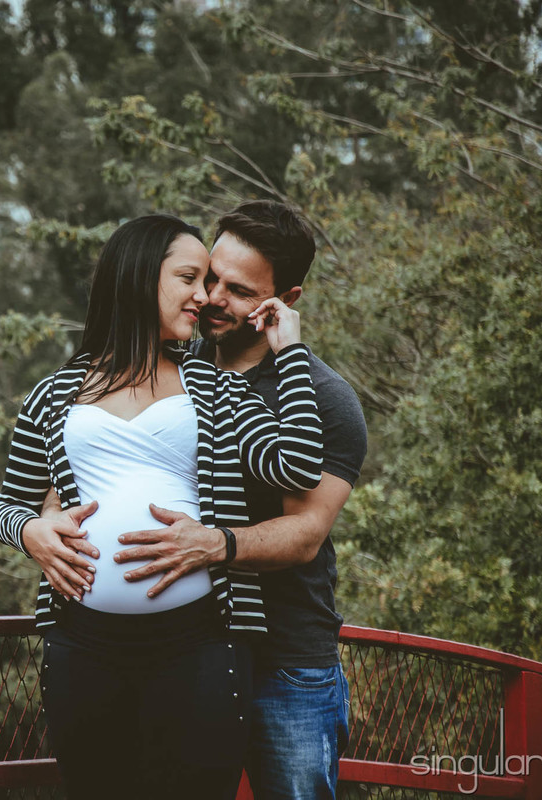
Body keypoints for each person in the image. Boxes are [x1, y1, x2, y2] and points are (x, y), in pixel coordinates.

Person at [0, 213, 326, 798]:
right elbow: (9, 506)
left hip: (200, 642)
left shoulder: (218, 386)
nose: (205, 297)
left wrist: (290, 349)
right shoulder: (53, 393)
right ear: (142, 278)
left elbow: (295, 466)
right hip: (82, 643)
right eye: (190, 279)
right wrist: (30, 533)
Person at [107, 200, 369, 799]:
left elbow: (304, 535)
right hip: (182, 647)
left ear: (287, 301)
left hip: (286, 662)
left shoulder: (328, 399)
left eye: (238, 290)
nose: (212, 299)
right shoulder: (169, 369)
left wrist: (211, 546)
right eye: (208, 278)